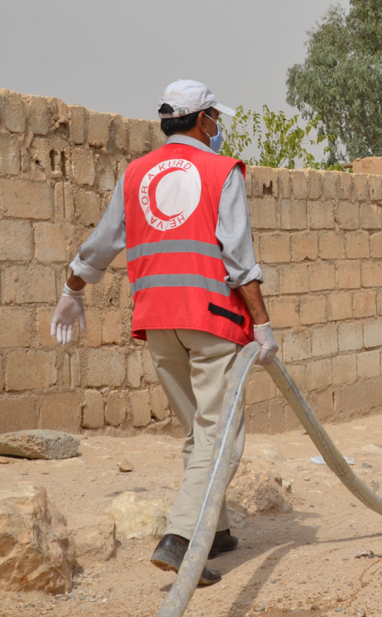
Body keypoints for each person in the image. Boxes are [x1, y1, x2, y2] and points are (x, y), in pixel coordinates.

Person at [50, 80, 279, 586]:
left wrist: (72, 289)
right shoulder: (222, 170)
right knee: (221, 439)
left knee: (199, 430)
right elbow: (240, 260)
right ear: (202, 120)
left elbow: (103, 242)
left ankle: (215, 530)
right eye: (214, 117)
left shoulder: (136, 173)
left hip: (157, 319)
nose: (217, 126)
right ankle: (181, 539)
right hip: (212, 320)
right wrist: (263, 325)